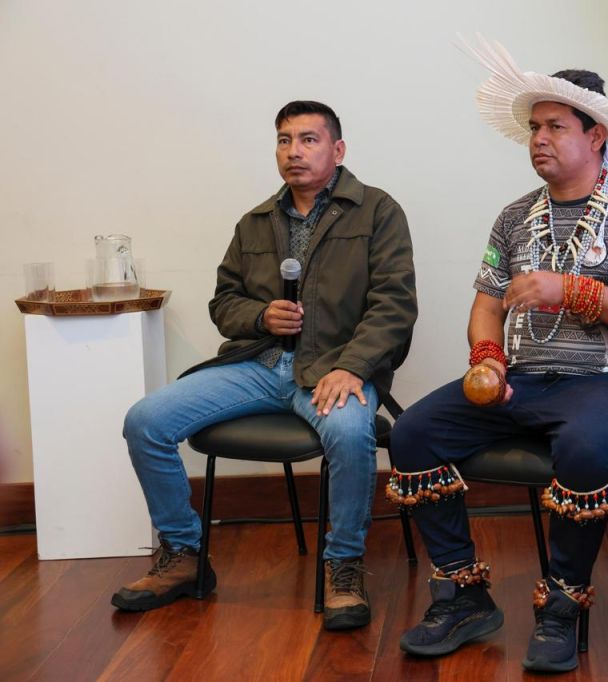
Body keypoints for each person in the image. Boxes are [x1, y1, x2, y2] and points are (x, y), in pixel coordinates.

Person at [387, 39, 608, 674]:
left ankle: (562, 607)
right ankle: (464, 596)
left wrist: (570, 290)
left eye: (555, 126)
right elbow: (487, 303)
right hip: (521, 378)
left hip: (606, 383)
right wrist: (487, 360)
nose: (539, 139)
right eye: (534, 128)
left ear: (596, 135)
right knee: (411, 433)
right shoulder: (515, 216)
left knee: (582, 447)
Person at [111, 100, 417, 632]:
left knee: (350, 431)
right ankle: (183, 555)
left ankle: (343, 565)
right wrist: (260, 316)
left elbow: (394, 304)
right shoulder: (255, 222)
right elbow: (223, 303)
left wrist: (354, 367)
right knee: (145, 421)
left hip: (335, 368)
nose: (294, 151)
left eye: (308, 139)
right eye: (284, 140)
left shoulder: (377, 211)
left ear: (338, 149)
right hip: (259, 364)